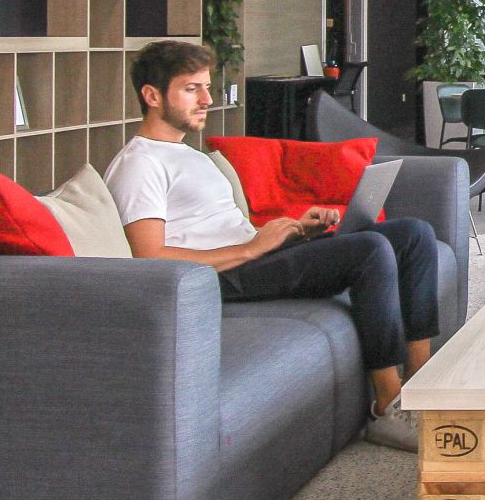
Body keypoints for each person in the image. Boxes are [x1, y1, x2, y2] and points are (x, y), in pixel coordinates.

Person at [104, 40, 442, 452]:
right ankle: (387, 407)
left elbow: (222, 227)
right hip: (223, 276)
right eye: (192, 89)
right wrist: (252, 249)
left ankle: (421, 383)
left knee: (414, 235)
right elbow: (150, 257)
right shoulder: (139, 164)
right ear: (152, 96)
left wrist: (292, 231)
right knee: (370, 250)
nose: (207, 99)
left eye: (206, 87)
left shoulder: (189, 155)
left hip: (251, 255)